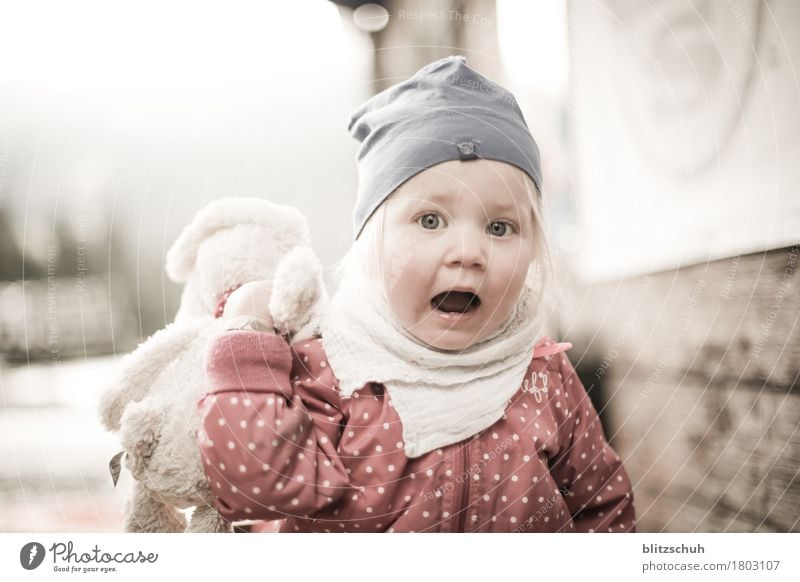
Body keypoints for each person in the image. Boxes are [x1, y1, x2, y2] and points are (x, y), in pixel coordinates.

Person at [196, 56, 636, 532]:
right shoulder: (335, 372)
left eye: (499, 226)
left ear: (534, 251)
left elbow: (601, 508)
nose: (468, 252)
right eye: (430, 221)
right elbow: (255, 484)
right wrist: (247, 333)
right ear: (372, 243)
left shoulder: (544, 377)